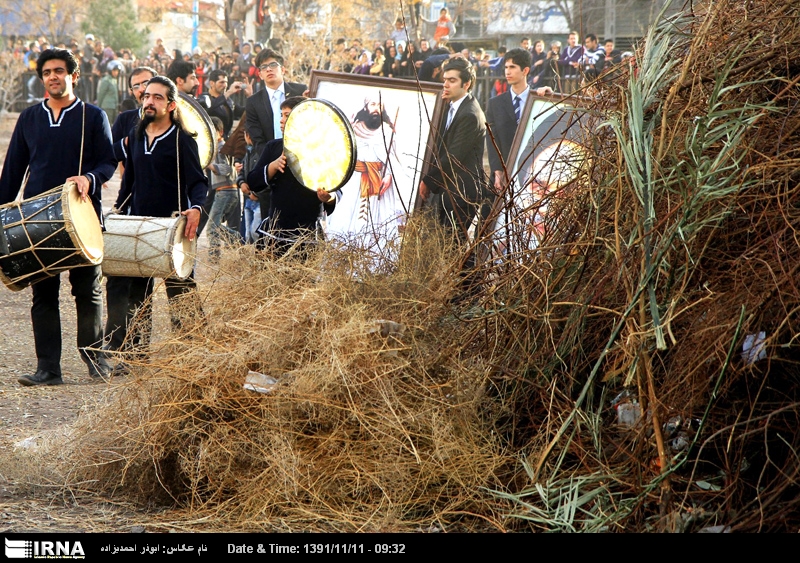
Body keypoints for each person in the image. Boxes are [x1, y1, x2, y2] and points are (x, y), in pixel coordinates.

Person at [0, 48, 116, 386]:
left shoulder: (93, 116)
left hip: (83, 217)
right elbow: (13, 171)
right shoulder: (29, 118)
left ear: (73, 76)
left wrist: (90, 178)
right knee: (43, 295)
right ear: (42, 79)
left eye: (59, 71)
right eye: (47, 72)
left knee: (88, 292)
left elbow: (108, 162)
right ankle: (48, 369)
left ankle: (95, 360)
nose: (53, 76)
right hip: (36, 221)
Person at [121, 76, 207, 350]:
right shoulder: (136, 136)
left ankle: (191, 354)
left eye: (157, 97)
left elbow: (198, 182)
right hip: (139, 226)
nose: (149, 101)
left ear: (171, 105)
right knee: (137, 294)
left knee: (181, 291)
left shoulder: (183, 139)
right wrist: (118, 212)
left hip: (173, 227)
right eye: (147, 96)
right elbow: (129, 182)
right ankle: (134, 355)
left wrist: (196, 209)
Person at [103, 65, 158, 358]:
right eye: (137, 85)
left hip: (158, 212)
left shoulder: (172, 121)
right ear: (132, 91)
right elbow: (109, 154)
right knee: (115, 276)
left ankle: (139, 350)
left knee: (143, 284)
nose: (142, 90)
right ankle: (115, 342)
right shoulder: (125, 119)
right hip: (127, 205)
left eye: (147, 83)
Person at [246, 96, 336, 258]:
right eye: (281, 115)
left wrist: (328, 198)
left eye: (287, 115)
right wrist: (273, 166)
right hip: (275, 232)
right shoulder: (274, 147)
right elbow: (253, 182)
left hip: (307, 235)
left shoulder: (321, 150)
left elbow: (336, 186)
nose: (281, 120)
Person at [419, 57, 489, 249]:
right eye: (445, 80)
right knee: (441, 248)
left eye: (452, 80)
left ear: (466, 84)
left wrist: (428, 181)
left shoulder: (470, 114)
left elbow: (453, 157)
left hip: (462, 193)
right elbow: (440, 140)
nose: (446, 85)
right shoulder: (453, 106)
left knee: (452, 250)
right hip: (449, 189)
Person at [327, 96, 402, 246]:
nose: (376, 109)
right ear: (365, 107)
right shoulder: (353, 129)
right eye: (373, 104)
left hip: (378, 184)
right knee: (345, 219)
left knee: (375, 226)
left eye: (380, 105)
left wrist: (389, 175)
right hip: (352, 182)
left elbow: (393, 159)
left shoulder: (388, 133)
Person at [245, 48, 307, 157]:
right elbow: (258, 140)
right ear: (260, 75)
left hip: (301, 155)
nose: (269, 69)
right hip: (270, 159)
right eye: (264, 67)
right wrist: (273, 160)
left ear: (282, 69)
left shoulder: (300, 91)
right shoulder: (253, 102)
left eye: (273, 65)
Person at [486, 48, 531, 193]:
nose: (507, 72)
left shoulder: (538, 100)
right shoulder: (495, 104)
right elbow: (492, 140)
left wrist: (549, 95)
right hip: (502, 173)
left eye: (512, 67)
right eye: (506, 67)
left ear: (525, 71)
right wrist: (497, 170)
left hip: (532, 172)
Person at [206, 116, 239, 261]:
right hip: (225, 191)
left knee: (212, 227)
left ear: (220, 132)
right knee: (215, 225)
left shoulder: (221, 148)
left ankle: (214, 256)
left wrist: (209, 165)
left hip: (226, 191)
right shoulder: (218, 147)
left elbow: (226, 168)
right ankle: (236, 239)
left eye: (212, 132)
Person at [197, 68, 249, 139]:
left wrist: (250, 96)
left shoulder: (228, 100)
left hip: (225, 140)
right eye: (221, 82)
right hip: (210, 139)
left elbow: (242, 112)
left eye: (226, 82)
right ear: (212, 83)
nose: (225, 85)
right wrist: (228, 93)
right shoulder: (204, 97)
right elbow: (210, 107)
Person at [236, 127, 263, 244]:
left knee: (255, 232)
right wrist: (241, 182)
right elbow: (241, 172)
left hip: (258, 200)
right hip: (248, 200)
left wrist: (255, 194)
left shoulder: (261, 153)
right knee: (248, 235)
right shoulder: (248, 153)